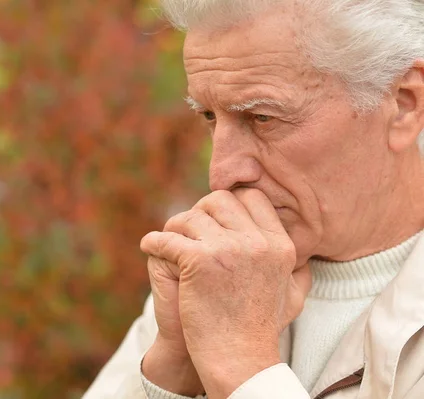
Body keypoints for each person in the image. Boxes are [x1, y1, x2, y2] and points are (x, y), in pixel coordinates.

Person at [84, 0, 424, 398]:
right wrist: (172, 370)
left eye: (263, 118)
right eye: (210, 117)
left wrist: (242, 364)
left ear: (403, 104)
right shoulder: (218, 270)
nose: (221, 173)